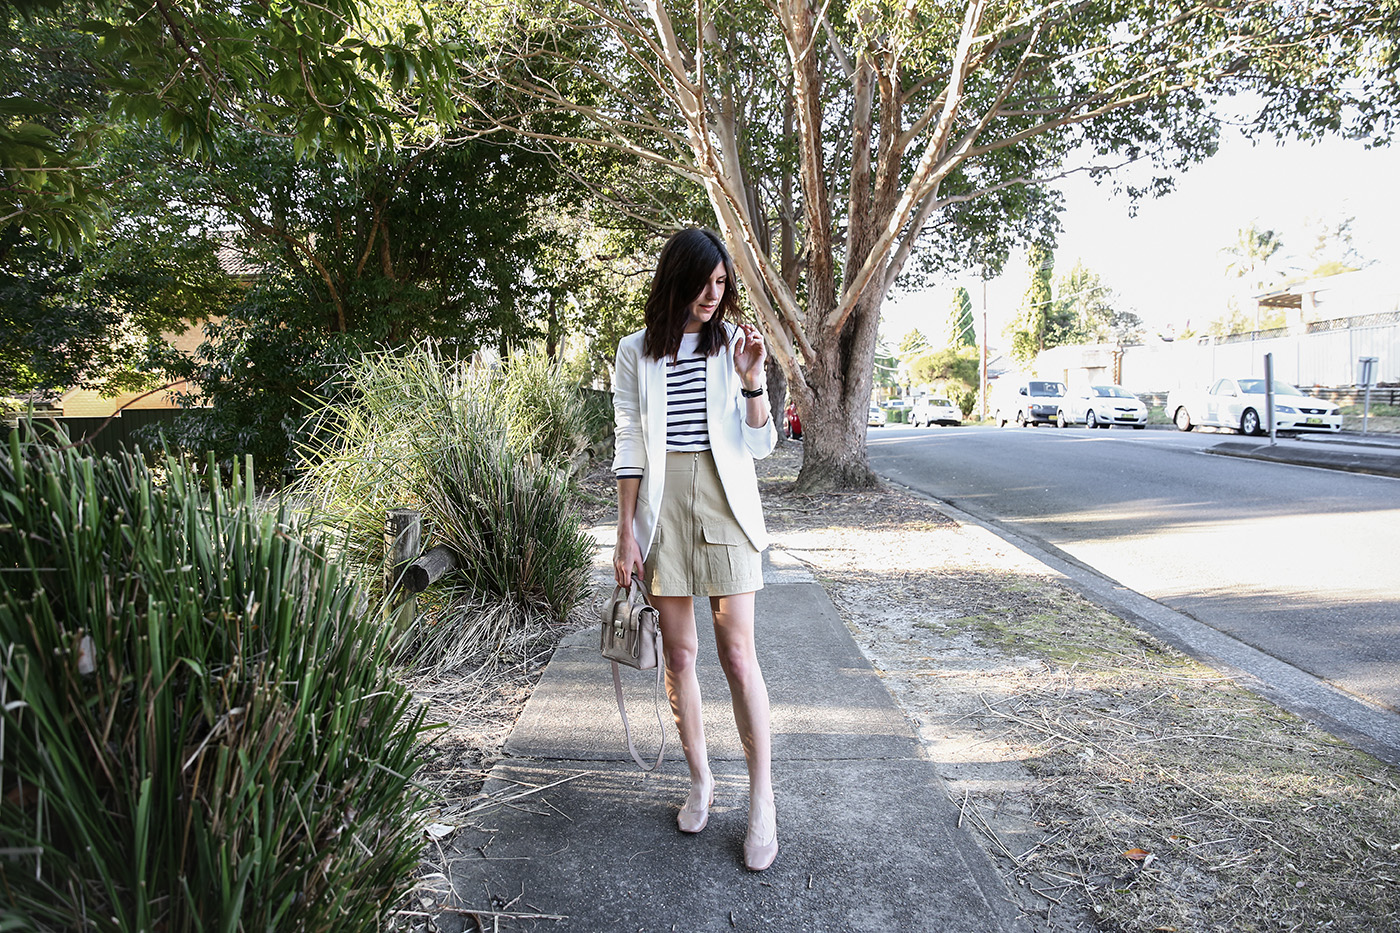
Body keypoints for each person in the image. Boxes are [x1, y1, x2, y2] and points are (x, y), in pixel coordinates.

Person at [611, 227, 780, 872]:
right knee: (680, 653)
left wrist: (753, 380)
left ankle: (762, 799)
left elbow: (762, 447)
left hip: (725, 499)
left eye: (721, 284)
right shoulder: (635, 353)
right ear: (677, 279)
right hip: (662, 507)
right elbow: (630, 444)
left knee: (738, 652)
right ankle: (702, 778)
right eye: (705, 282)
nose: (715, 295)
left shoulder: (735, 345)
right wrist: (626, 530)